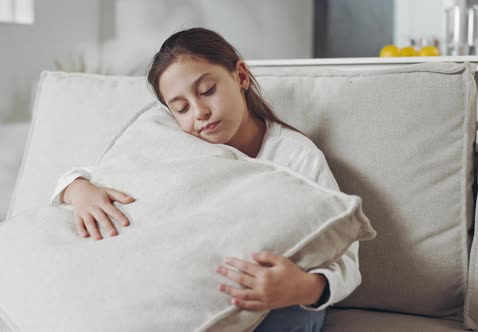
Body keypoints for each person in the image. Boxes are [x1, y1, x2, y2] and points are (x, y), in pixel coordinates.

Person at [49, 27, 361, 332]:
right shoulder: (179, 144)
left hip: (275, 300)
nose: (199, 113)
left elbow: (346, 257)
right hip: (193, 288)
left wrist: (304, 288)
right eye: (181, 108)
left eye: (208, 91)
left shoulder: (296, 158)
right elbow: (107, 171)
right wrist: (78, 189)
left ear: (240, 77)